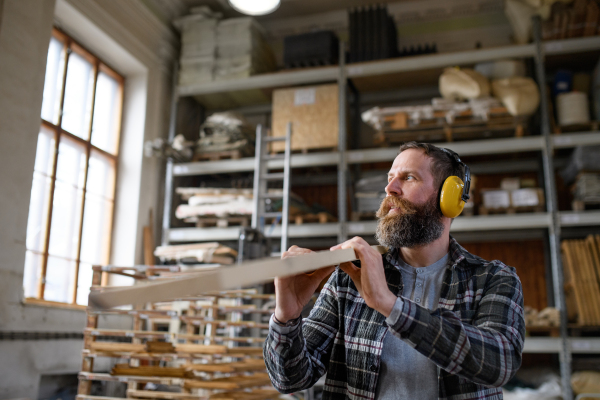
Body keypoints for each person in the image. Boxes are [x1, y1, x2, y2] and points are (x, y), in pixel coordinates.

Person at [263, 141, 525, 400]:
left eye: (408, 178)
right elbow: (291, 380)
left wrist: (390, 305)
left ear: (450, 198)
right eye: (390, 178)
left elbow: (498, 363)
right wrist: (286, 317)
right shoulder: (348, 277)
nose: (390, 189)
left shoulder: (492, 279)